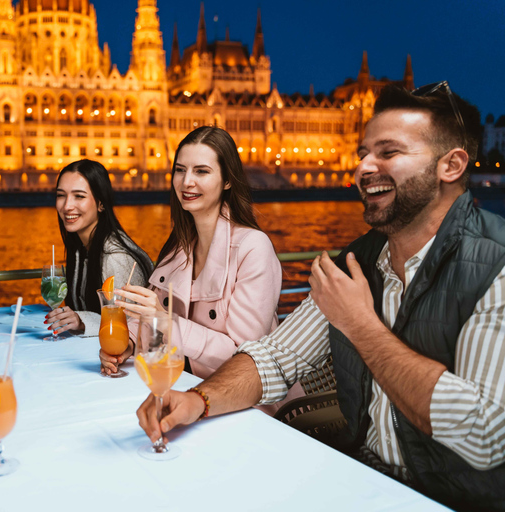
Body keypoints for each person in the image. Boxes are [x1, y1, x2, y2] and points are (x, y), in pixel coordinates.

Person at [136, 84, 505, 510]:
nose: (365, 166)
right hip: (358, 480)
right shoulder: (358, 261)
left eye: (389, 152)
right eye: (363, 152)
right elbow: (275, 358)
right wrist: (197, 401)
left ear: (451, 165)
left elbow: (484, 437)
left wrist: (360, 325)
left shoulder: (493, 266)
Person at [106, 127, 291, 392]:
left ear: (227, 180)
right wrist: (128, 345)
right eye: (180, 170)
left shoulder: (253, 248)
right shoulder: (178, 245)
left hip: (244, 400)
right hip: (183, 387)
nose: (186, 182)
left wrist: (166, 322)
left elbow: (246, 358)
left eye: (201, 171)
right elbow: (148, 321)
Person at [46, 159, 153, 336]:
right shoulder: (81, 247)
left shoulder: (116, 258)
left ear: (101, 203)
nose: (66, 206)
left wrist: (81, 321)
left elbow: (129, 324)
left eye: (79, 196)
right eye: (61, 195)